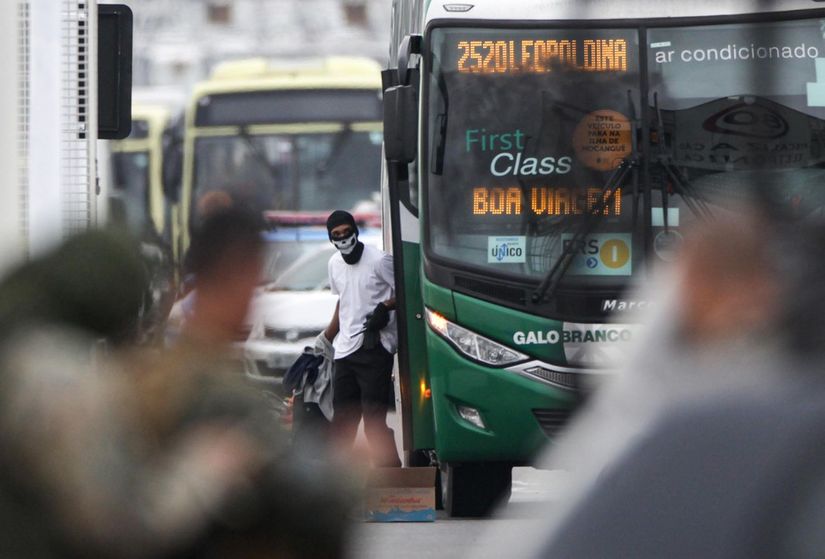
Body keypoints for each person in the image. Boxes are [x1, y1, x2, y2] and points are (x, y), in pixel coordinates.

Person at [323, 210, 401, 467]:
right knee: (342, 424)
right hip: (345, 351)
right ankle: (339, 487)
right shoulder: (334, 263)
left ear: (355, 230)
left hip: (373, 347)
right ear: (331, 238)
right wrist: (325, 338)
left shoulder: (379, 261)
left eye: (346, 232)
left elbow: (408, 292)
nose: (343, 238)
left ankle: (392, 480)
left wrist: (385, 308)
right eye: (336, 235)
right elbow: (343, 302)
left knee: (374, 423)